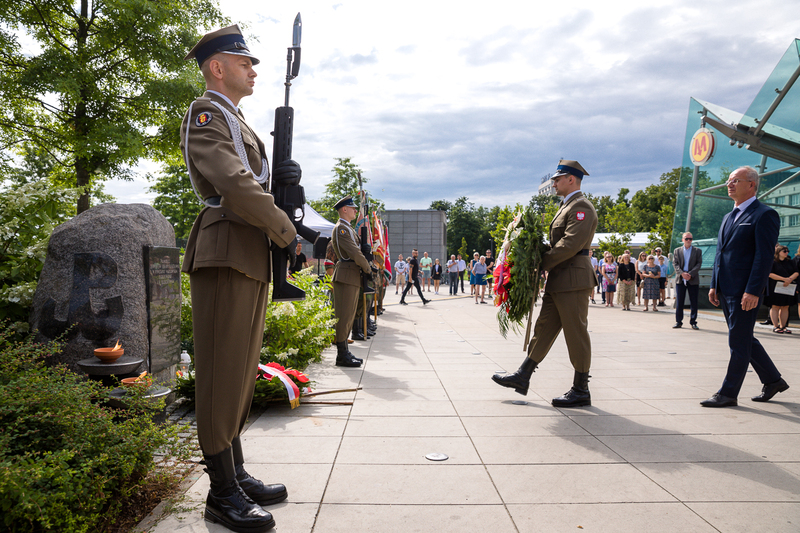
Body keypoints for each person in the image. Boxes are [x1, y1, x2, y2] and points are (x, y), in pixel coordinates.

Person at [180, 25, 296, 532]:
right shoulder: (207, 114)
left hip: (246, 251)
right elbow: (232, 182)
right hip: (226, 249)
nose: (253, 70)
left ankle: (237, 473)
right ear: (216, 67)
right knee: (221, 373)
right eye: (243, 61)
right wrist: (285, 225)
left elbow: (253, 183)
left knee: (239, 372)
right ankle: (221, 493)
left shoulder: (237, 120)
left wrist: (285, 187)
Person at [491, 160, 598, 407]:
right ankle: (523, 375)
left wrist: (540, 262)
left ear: (571, 179)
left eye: (558, 178)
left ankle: (581, 389)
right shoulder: (567, 206)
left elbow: (570, 244)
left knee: (576, 334)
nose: (554, 182)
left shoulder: (581, 206)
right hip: (561, 279)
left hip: (573, 279)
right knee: (544, 328)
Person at [702, 166, 789, 407]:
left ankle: (728, 393)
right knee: (743, 339)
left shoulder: (764, 215)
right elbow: (721, 254)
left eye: (735, 181)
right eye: (728, 181)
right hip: (725, 289)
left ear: (751, 184)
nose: (729, 185)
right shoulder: (728, 216)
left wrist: (753, 290)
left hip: (745, 292)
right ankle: (773, 381)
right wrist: (713, 285)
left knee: (737, 342)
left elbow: (763, 257)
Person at [330, 196, 372, 366]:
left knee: (348, 315)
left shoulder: (348, 229)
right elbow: (354, 253)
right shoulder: (342, 229)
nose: (356, 210)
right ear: (344, 209)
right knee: (344, 316)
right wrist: (368, 268)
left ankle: (345, 351)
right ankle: (341, 354)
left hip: (351, 275)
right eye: (353, 208)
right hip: (347, 275)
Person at [673, 232, 702, 329]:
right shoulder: (677, 251)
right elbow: (675, 264)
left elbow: (699, 264)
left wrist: (690, 274)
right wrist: (682, 273)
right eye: (686, 239)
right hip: (681, 279)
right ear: (682, 240)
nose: (688, 240)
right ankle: (678, 322)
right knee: (679, 301)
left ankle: (693, 322)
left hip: (692, 279)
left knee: (694, 302)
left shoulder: (697, 251)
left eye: (690, 239)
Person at [767, 244, 798, 334]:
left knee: (785, 306)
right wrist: (784, 279)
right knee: (775, 306)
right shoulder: (773, 262)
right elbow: (770, 274)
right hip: (776, 286)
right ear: (778, 252)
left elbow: (796, 272)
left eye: (787, 251)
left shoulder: (790, 261)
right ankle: (776, 326)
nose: (786, 253)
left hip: (787, 286)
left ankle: (783, 326)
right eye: (784, 251)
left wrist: (790, 279)